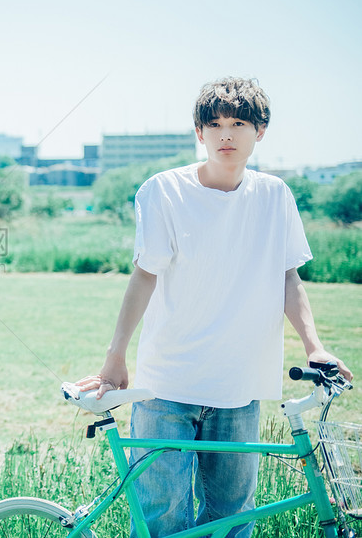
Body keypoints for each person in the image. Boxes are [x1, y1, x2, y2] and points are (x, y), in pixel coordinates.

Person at [73, 76, 353, 538]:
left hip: (239, 389)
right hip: (167, 384)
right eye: (215, 124)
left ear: (259, 131)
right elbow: (145, 275)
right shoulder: (163, 191)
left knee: (231, 521)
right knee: (164, 523)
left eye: (239, 123)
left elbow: (288, 277)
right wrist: (115, 358)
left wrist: (314, 347)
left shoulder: (274, 196)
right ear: (199, 132)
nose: (226, 134)